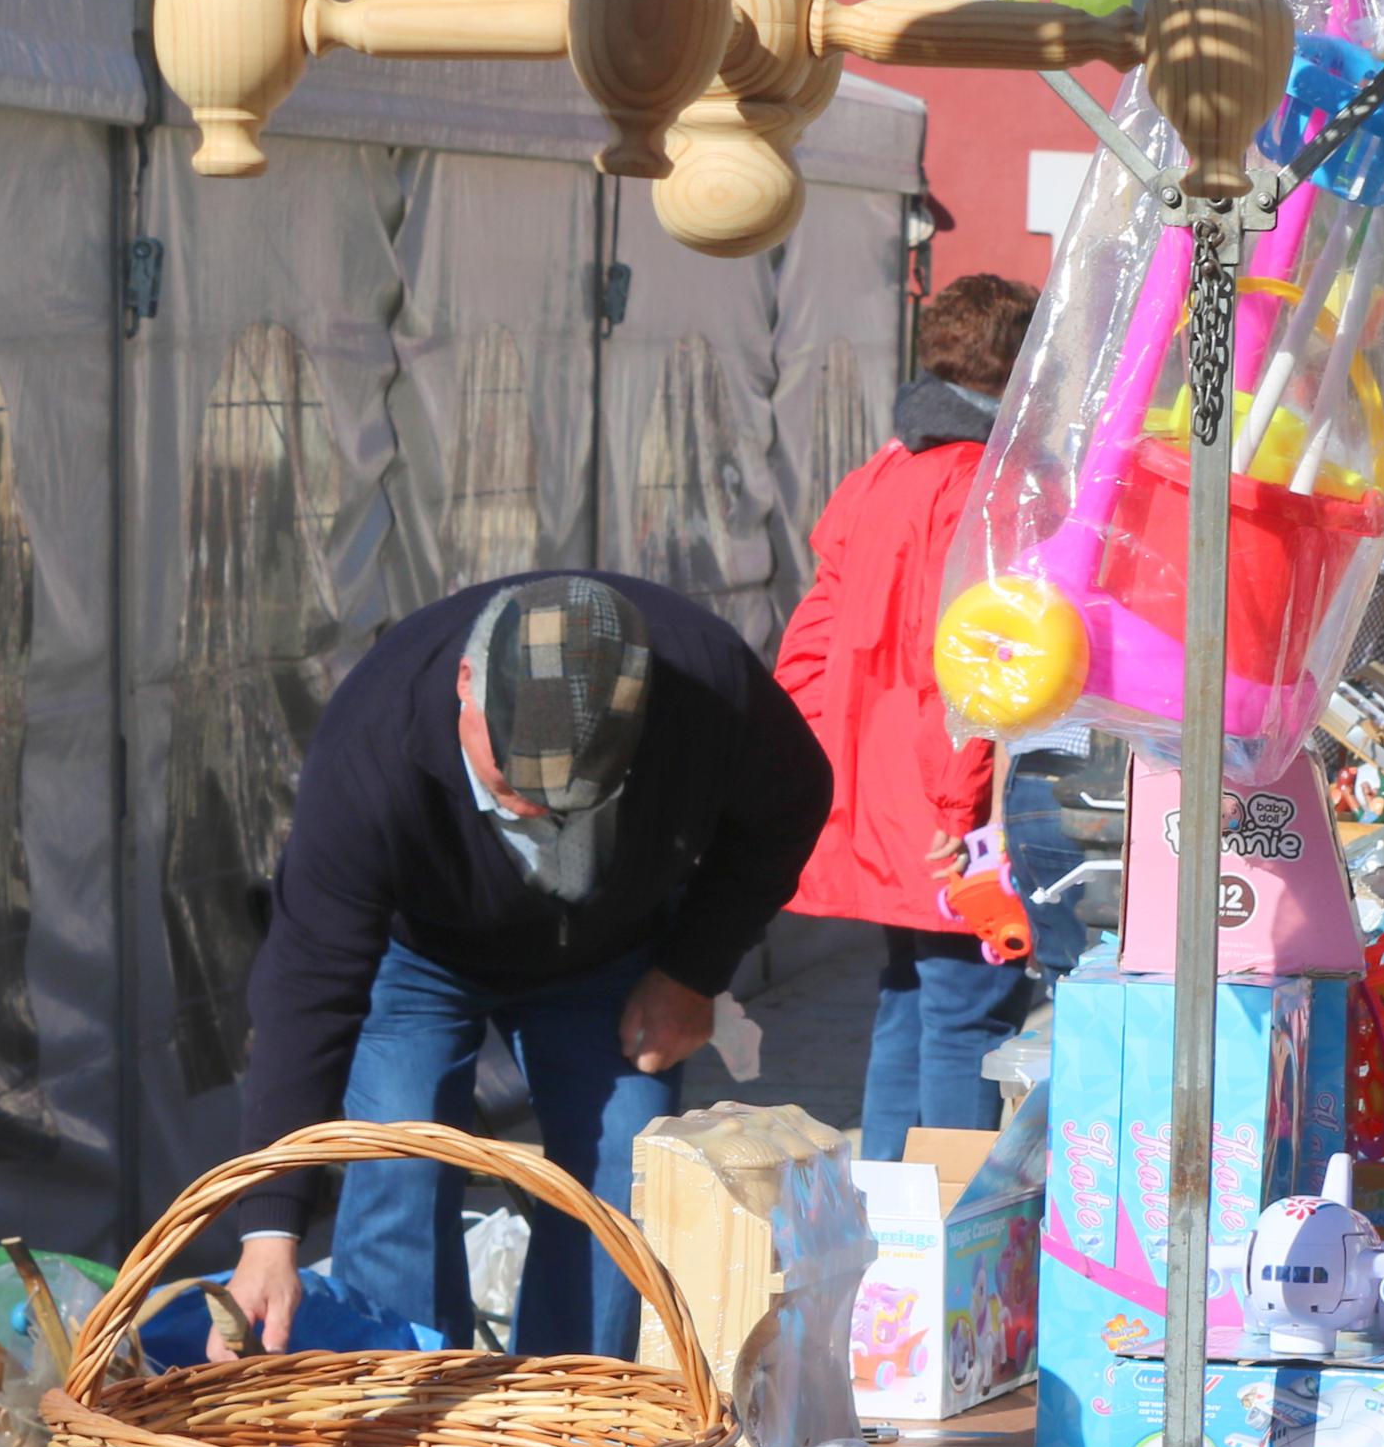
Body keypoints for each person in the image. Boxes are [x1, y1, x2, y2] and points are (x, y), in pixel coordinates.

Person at [228, 573, 833, 1358]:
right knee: (397, 1158)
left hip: (606, 948)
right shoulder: (372, 745)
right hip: (424, 953)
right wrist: (268, 1226)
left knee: (623, 1165)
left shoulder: (705, 685)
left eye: (570, 799)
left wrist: (693, 969)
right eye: (509, 784)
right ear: (465, 687)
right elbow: (306, 985)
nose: (531, 813)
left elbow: (793, 802)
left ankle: (566, 1423)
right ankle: (411, 1420)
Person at [777, 274, 1040, 1163]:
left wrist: (829, 778)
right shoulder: (985, 484)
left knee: (909, 997)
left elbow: (808, 643)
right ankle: (948, 1235)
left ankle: (888, 1218)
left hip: (880, 788)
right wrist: (965, 815)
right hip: (940, 793)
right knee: (964, 1011)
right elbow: (980, 672)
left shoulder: (884, 468)